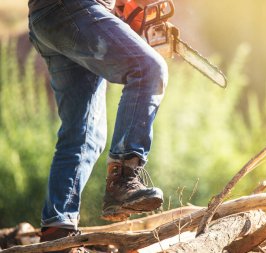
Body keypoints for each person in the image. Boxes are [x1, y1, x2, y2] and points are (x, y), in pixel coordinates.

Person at [28, 0, 168, 248]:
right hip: (74, 9)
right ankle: (122, 180)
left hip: (45, 17)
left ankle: (56, 234)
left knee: (84, 135)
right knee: (148, 68)